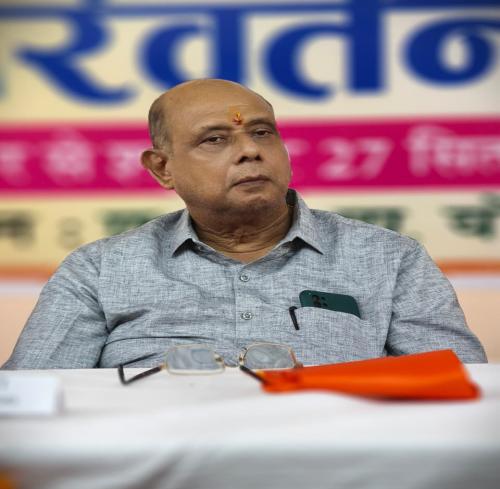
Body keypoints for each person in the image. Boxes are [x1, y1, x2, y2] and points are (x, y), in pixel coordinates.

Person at [3, 79, 486, 369]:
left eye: (262, 132)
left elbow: (462, 386)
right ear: (162, 168)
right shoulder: (99, 270)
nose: (250, 150)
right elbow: (30, 402)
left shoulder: (390, 258)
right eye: (214, 139)